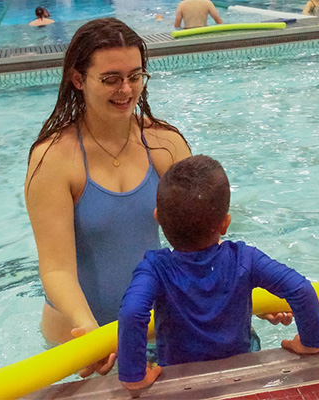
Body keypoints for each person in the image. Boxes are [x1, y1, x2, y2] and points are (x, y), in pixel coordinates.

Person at [24, 18, 192, 377]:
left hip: (150, 331)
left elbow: (201, 238)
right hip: (75, 339)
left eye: (135, 76)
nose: (126, 89)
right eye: (111, 78)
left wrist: (238, 290)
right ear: (78, 79)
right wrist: (91, 334)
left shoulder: (164, 144)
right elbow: (56, 268)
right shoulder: (54, 159)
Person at [117, 155, 319, 392]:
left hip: (179, 372)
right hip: (240, 365)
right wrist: (311, 341)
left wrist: (133, 374)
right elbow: (300, 289)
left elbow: (132, 312)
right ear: (225, 223)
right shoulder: (245, 258)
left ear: (158, 218)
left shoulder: (155, 268)